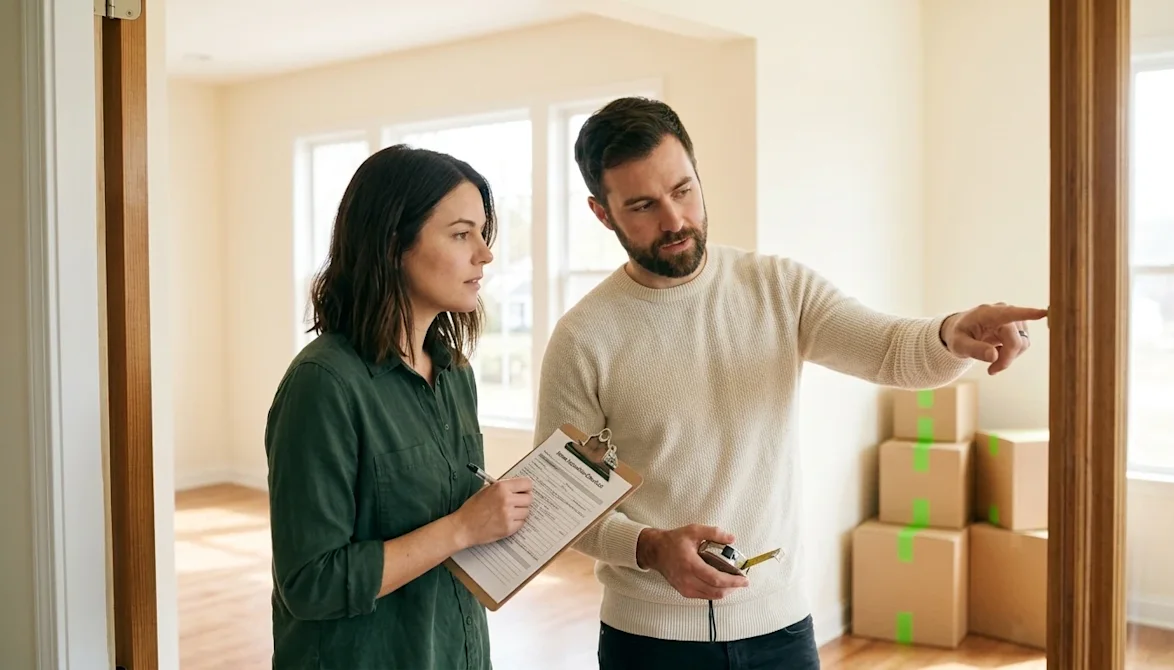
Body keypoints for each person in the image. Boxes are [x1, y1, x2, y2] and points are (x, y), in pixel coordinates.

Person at [534, 97, 1047, 670]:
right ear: (602, 213)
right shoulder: (583, 337)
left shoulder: (777, 287)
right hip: (648, 642)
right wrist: (650, 548)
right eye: (643, 206)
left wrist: (953, 334)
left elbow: (889, 349)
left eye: (684, 190)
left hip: (779, 631)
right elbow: (561, 509)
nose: (675, 220)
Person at [264, 144, 534, 670]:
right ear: (393, 245)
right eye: (461, 234)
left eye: (483, 232)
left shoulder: (455, 373)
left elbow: (449, 512)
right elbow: (310, 583)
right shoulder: (323, 385)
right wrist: (462, 527)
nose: (485, 253)